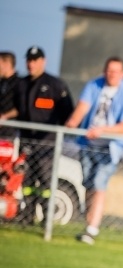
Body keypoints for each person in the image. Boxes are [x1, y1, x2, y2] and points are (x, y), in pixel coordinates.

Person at [65, 57, 123, 245]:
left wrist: (102, 130)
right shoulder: (94, 85)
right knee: (88, 184)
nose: (111, 74)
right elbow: (82, 108)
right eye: (109, 70)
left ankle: (92, 228)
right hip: (87, 144)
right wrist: (71, 123)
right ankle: (88, 222)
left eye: (116, 71)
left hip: (109, 147)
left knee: (99, 185)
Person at [13, 46, 74, 223]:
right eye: (29, 60)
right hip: (26, 140)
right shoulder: (21, 84)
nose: (31, 64)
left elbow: (67, 114)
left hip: (47, 144)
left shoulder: (55, 85)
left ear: (43, 61)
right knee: (26, 182)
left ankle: (47, 218)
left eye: (35, 60)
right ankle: (26, 216)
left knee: (46, 182)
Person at [0, 51, 20, 139]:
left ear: (7, 63)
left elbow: (22, 107)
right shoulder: (1, 82)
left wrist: (4, 117)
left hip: (10, 133)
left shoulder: (20, 84)